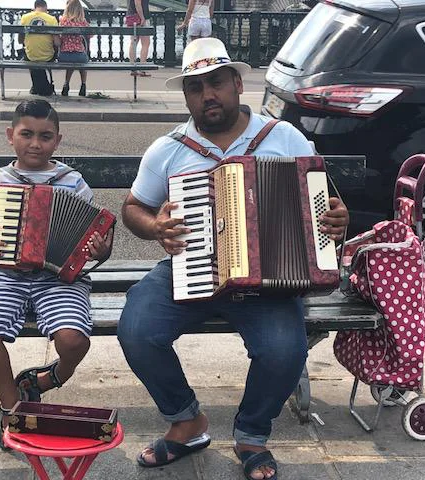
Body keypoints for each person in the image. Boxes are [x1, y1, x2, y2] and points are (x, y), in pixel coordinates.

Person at [116, 38, 349, 480]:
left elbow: (325, 199)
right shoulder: (168, 148)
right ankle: (186, 420)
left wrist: (337, 219)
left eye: (216, 82)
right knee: (138, 329)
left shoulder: (283, 136)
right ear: (186, 96)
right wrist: (155, 227)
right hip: (191, 267)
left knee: (285, 350)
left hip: (269, 281)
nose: (208, 94)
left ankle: (251, 436)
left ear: (237, 84)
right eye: (195, 87)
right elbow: (133, 208)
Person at [0, 99, 112, 450]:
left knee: (74, 340)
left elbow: (96, 237)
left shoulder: (72, 182)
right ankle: (12, 407)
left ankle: (52, 377)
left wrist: (99, 250)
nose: (35, 143)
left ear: (57, 141)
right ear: (9, 136)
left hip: (57, 278)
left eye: (45, 137)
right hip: (6, 275)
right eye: (26, 134)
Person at [19, 0, 60, 96]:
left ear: (34, 7)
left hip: (30, 55)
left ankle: (36, 86)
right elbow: (57, 43)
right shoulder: (51, 19)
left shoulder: (25, 17)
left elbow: (20, 41)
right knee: (42, 57)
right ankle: (41, 87)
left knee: (29, 56)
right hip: (48, 56)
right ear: (45, 7)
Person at [57, 0, 90, 97]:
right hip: (79, 54)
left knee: (71, 63)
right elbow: (91, 34)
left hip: (64, 55)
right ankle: (83, 85)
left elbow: (59, 36)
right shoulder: (82, 21)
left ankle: (66, 84)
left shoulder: (63, 21)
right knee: (82, 63)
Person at [125, 0, 151, 77]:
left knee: (133, 42)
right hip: (140, 17)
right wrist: (142, 17)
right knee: (145, 43)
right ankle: (142, 69)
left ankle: (132, 67)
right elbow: (137, 4)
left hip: (131, 17)